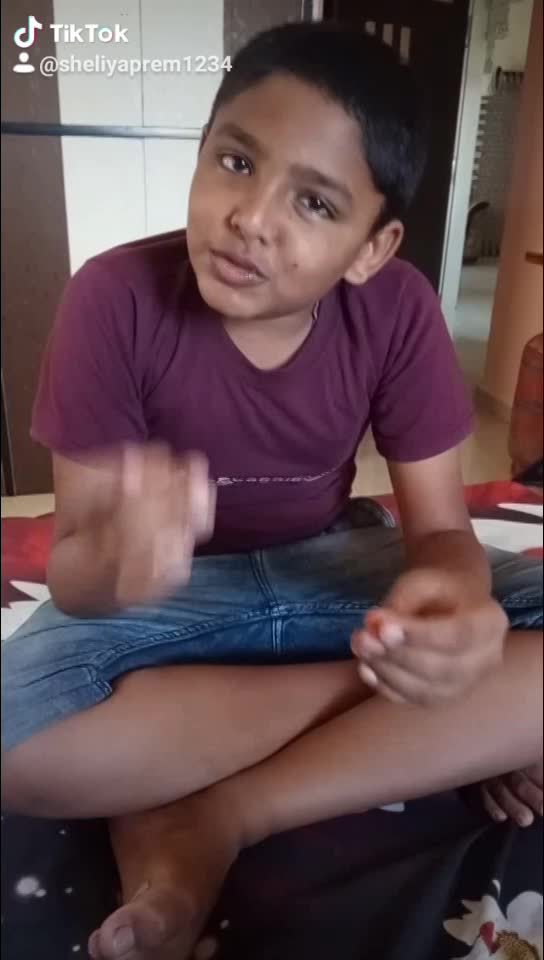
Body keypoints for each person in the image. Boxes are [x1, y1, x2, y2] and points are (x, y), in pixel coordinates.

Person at [1, 22, 542, 960]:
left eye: (316, 203)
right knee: (15, 745)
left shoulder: (398, 310)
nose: (252, 217)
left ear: (373, 248)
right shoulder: (111, 298)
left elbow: (441, 536)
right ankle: (429, 722)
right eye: (237, 161)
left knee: (507, 621)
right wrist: (123, 560)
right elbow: (77, 578)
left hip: (331, 569)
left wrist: (451, 613)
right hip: (173, 607)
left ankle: (221, 810)